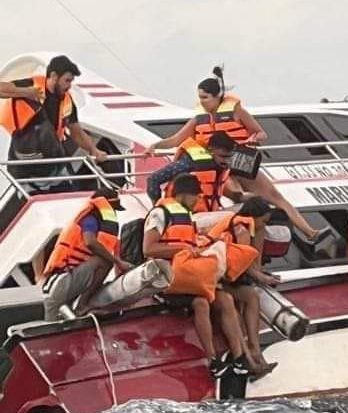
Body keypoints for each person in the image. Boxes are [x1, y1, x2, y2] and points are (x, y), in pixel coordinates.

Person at [145, 67, 330, 242]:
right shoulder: (197, 119)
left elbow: (261, 133)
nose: (202, 101)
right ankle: (239, 240)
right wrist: (155, 145)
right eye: (199, 97)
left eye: (205, 97)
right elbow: (176, 140)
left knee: (275, 197)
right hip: (214, 166)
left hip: (239, 161)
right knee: (239, 199)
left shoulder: (236, 111)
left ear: (218, 97)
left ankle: (310, 232)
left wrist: (252, 139)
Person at [142, 173, 250, 378]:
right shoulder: (160, 214)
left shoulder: (187, 216)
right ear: (182, 195)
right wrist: (181, 249)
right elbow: (149, 249)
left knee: (225, 299)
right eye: (195, 197)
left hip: (190, 275)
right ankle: (212, 360)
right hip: (167, 279)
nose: (197, 201)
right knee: (200, 303)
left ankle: (239, 358)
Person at [0, 55, 107, 190]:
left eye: (71, 81)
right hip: (25, 164)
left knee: (72, 194)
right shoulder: (32, 84)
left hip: (53, 162)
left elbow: (77, 133)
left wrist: (93, 150)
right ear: (54, 76)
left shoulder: (67, 101)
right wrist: (26, 92)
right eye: (67, 80)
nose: (69, 86)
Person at [205, 196, 279, 379]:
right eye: (264, 221)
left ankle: (253, 351)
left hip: (218, 275)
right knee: (242, 300)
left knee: (250, 297)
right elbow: (244, 264)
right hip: (212, 279)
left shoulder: (235, 223)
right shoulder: (242, 229)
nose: (264, 225)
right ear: (254, 216)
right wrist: (263, 278)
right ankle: (249, 355)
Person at [40, 188, 132, 321]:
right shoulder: (90, 220)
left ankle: (79, 303)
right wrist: (118, 262)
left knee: (55, 326)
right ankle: (82, 304)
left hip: (63, 284)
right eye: (114, 209)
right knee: (104, 261)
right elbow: (90, 242)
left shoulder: (93, 219)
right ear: (107, 205)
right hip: (61, 282)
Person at [147, 131, 250, 211]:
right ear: (210, 150)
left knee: (252, 209)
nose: (226, 161)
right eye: (222, 156)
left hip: (210, 213)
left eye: (229, 157)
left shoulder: (221, 167)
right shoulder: (189, 162)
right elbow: (153, 179)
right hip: (190, 216)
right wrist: (156, 209)